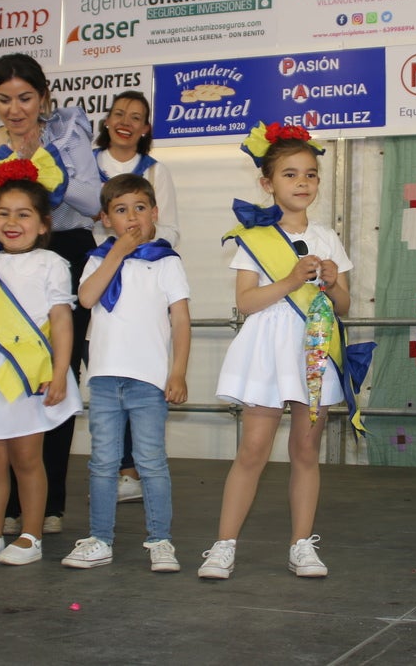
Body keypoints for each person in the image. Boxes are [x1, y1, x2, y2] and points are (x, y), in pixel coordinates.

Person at [198, 122, 368, 580]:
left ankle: (301, 545)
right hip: (269, 347)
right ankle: (223, 544)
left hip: (313, 349)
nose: (302, 183)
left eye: (310, 174)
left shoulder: (329, 237)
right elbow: (246, 302)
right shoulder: (253, 238)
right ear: (267, 183)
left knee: (306, 450)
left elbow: (346, 305)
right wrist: (293, 279)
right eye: (290, 174)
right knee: (252, 449)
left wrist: (332, 283)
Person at [0, 53, 100, 536]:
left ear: (43, 96)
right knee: (4, 369)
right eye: (4, 99)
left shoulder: (68, 135)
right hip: (6, 261)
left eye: (25, 98)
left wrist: (49, 174)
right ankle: (7, 505)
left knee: (54, 375)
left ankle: (47, 504)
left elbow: (93, 201)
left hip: (64, 249)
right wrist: (9, 177)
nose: (15, 109)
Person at [62, 174, 191, 573]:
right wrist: (117, 253)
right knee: (103, 462)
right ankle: (100, 538)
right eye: (120, 210)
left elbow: (182, 321)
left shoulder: (166, 261)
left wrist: (178, 372)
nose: (131, 217)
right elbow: (85, 298)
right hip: (103, 377)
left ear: (154, 213)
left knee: (151, 461)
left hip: (148, 380)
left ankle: (160, 539)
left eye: (139, 208)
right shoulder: (99, 259)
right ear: (105, 219)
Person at [0, 164, 82, 566]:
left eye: (23, 213)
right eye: (3, 213)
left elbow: (62, 321)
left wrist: (60, 372)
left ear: (44, 224)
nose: (12, 222)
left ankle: (31, 534)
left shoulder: (52, 264)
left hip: (28, 369)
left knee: (28, 458)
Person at [92, 90, 181, 504]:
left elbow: (171, 227)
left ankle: (131, 472)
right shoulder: (85, 161)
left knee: (141, 376)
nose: (126, 121)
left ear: (146, 128)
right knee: (104, 373)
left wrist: (146, 251)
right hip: (99, 269)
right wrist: (112, 253)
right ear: (107, 120)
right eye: (119, 113)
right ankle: (108, 476)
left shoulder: (155, 170)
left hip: (143, 265)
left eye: (137, 117)